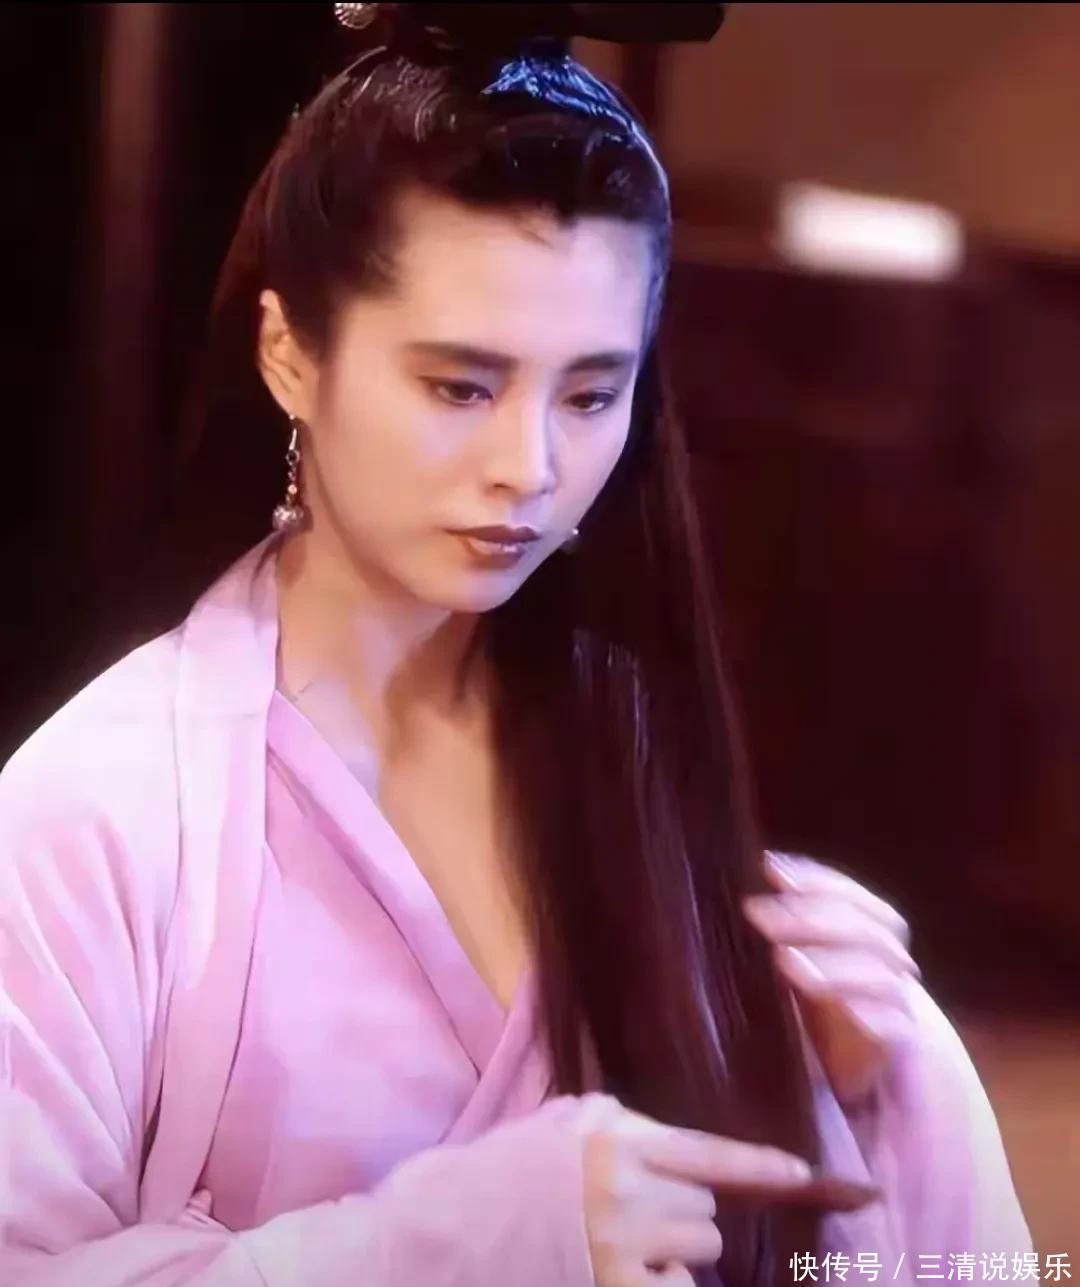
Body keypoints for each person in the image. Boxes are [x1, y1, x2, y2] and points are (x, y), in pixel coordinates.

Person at [1, 5, 1031, 1285]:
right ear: (289, 355)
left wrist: (847, 1101)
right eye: (461, 386)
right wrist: (461, 1243)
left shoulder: (656, 765)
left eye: (591, 394)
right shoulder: (96, 812)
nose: (529, 468)